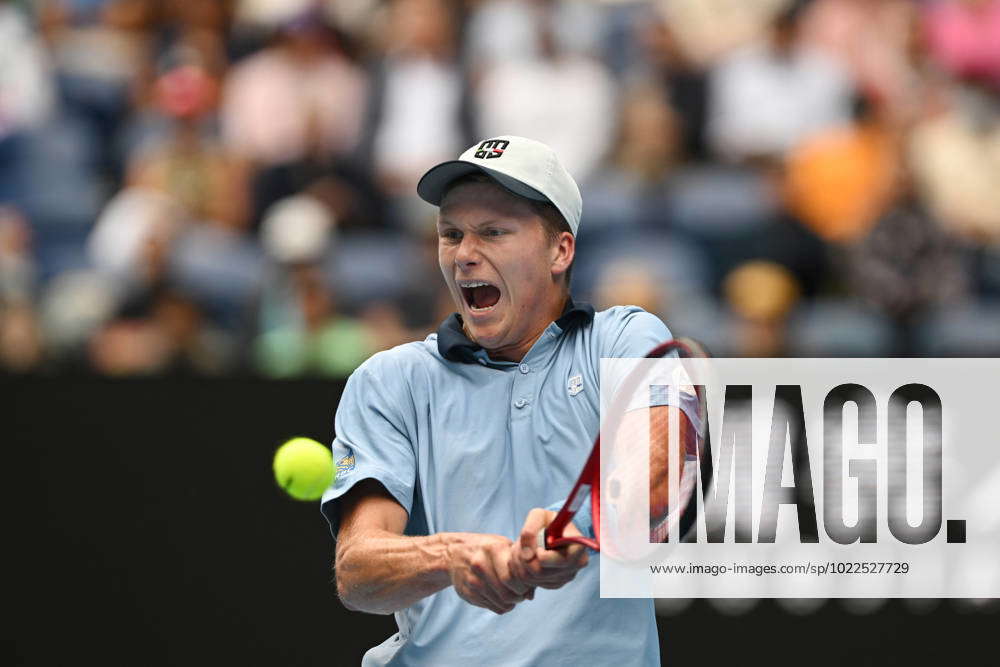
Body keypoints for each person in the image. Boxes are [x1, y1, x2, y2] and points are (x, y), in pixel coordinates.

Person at [322, 136, 695, 665]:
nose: (466, 255)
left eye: (494, 233)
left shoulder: (623, 339)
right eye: (451, 234)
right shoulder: (389, 380)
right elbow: (358, 572)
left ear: (559, 250)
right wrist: (452, 555)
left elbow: (660, 474)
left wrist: (574, 530)